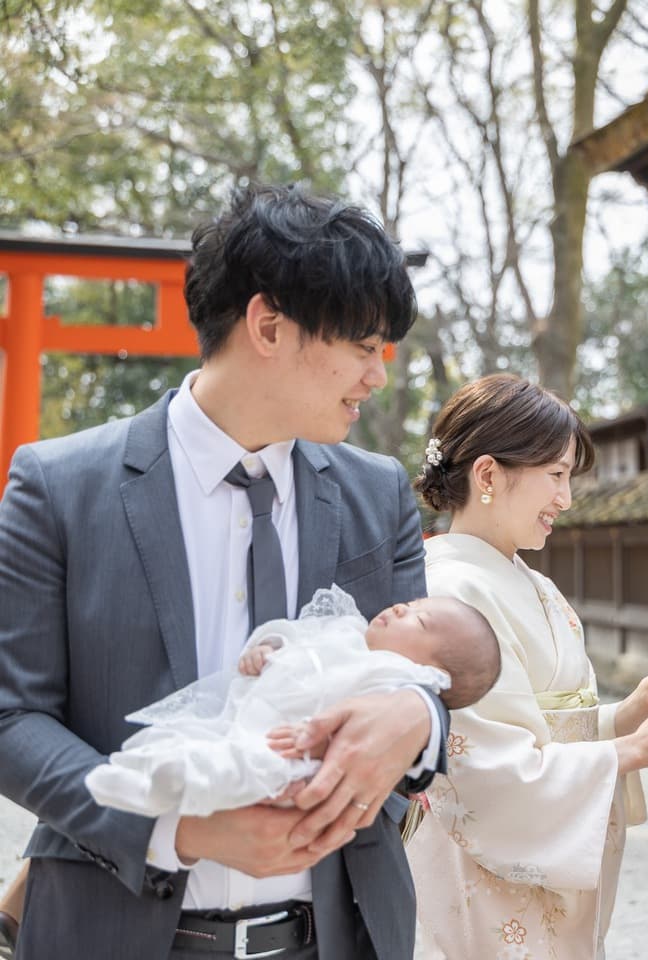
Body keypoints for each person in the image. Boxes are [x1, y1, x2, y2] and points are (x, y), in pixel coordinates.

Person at [0, 182, 453, 959]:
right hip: (116, 934)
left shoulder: (379, 496)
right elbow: (12, 718)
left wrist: (422, 719)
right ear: (268, 325)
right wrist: (177, 829)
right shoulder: (59, 486)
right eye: (361, 344)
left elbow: (424, 675)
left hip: (338, 937)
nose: (378, 374)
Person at [404, 373, 648, 960]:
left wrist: (632, 710)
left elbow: (551, 731)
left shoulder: (530, 583)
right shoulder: (449, 592)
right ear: (488, 475)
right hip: (484, 884)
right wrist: (634, 750)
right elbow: (485, 771)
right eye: (556, 475)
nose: (566, 499)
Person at [85, 586, 502, 819]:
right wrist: (268, 646)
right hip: (241, 710)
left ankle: (170, 790)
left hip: (290, 745)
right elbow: (294, 631)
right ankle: (135, 773)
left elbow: (421, 707)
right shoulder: (346, 627)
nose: (399, 606)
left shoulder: (395, 678)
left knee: (247, 767)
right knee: (184, 734)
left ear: (433, 672)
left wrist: (422, 705)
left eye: (418, 619)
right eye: (410, 604)